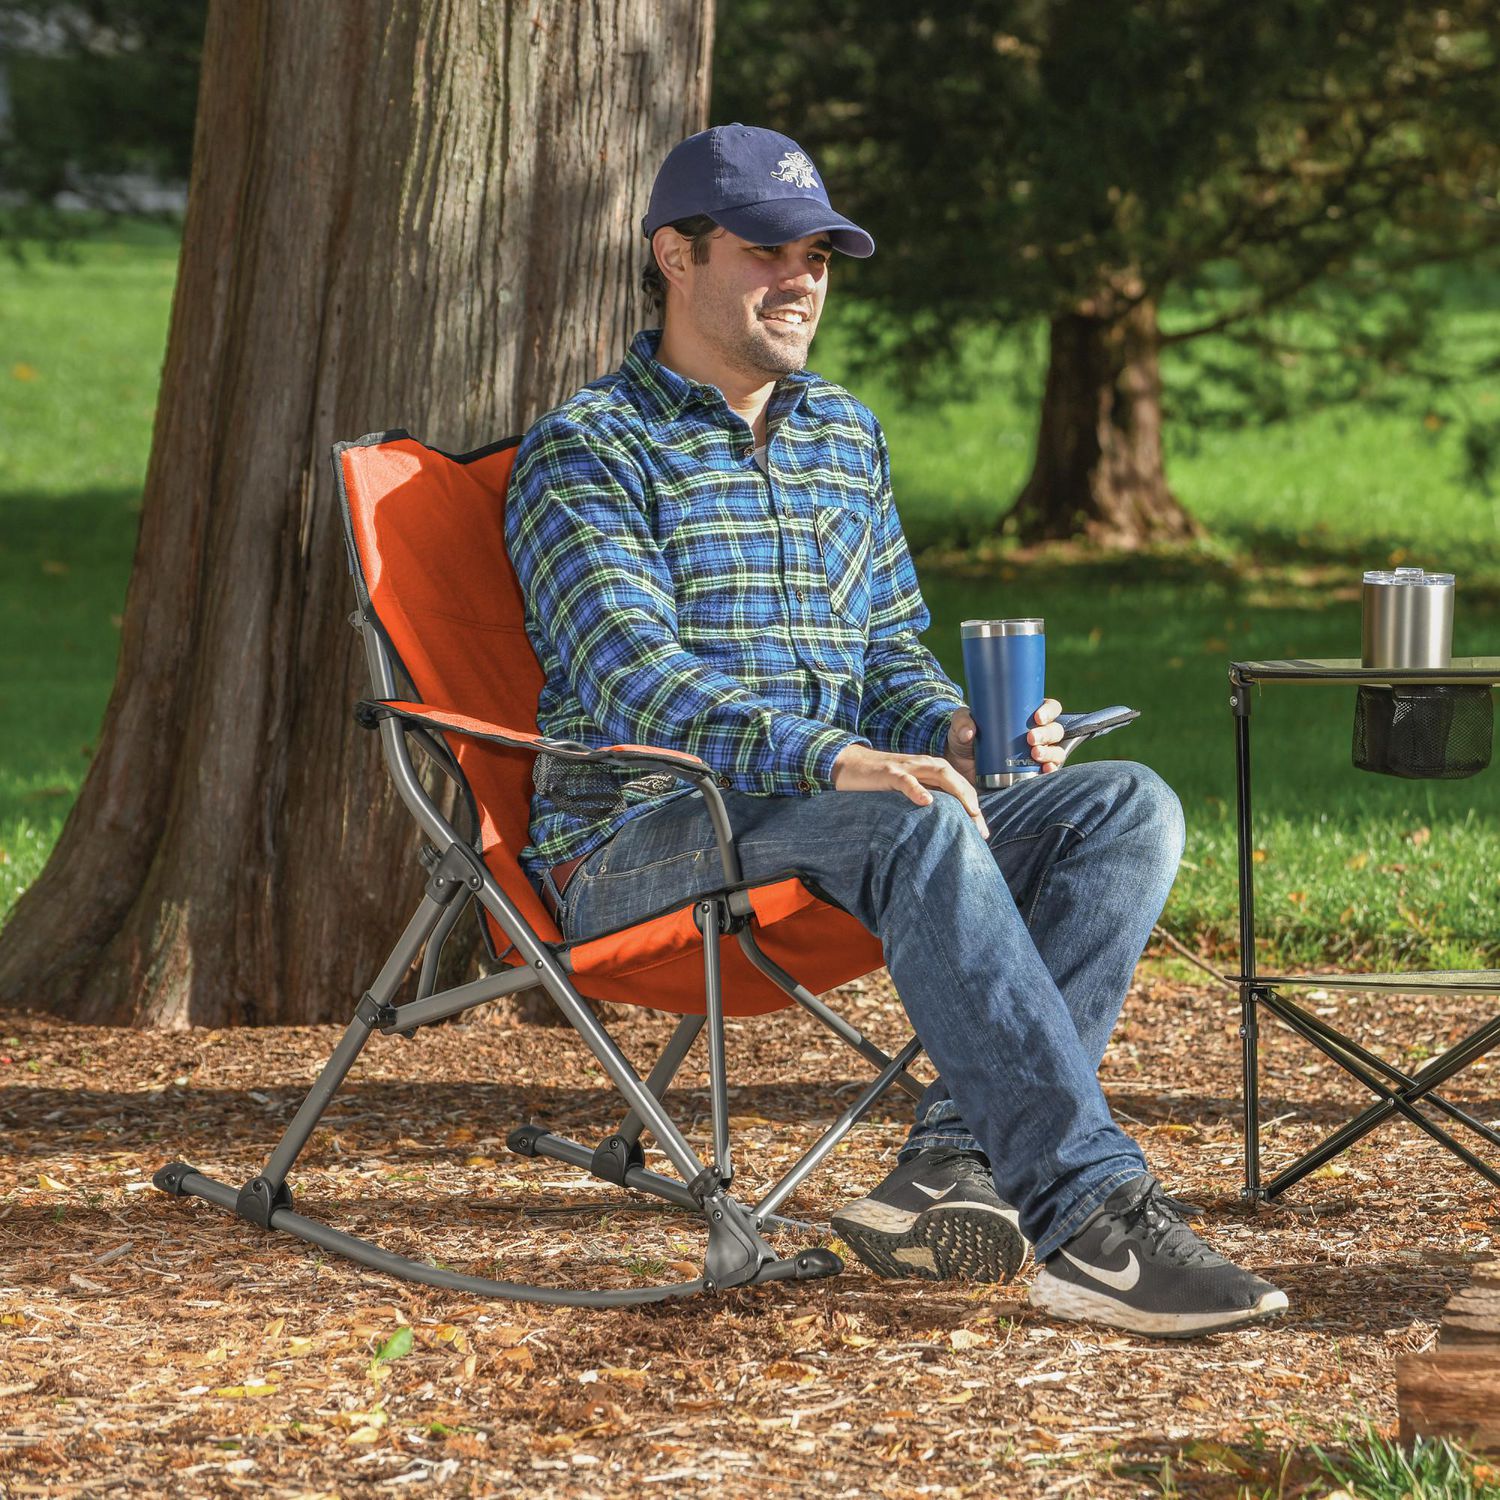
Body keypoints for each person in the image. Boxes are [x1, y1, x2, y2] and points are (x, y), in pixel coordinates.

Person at [504, 123, 1288, 1338]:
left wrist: (956, 734)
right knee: (903, 820)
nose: (802, 278)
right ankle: (1091, 1223)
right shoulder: (588, 452)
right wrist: (843, 761)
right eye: (768, 250)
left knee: (1124, 807)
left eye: (819, 253)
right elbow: (632, 684)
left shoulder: (842, 436)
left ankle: (950, 1167)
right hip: (640, 842)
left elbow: (883, 655)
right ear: (675, 255)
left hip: (831, 819)